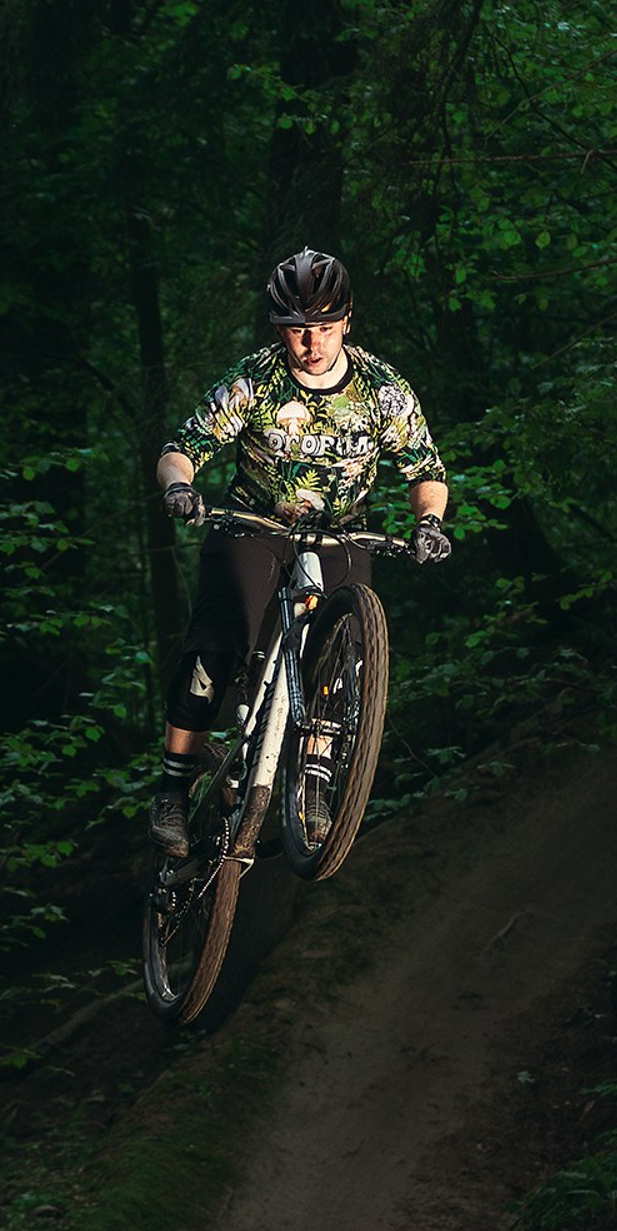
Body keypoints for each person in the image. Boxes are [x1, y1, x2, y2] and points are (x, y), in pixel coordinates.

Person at [150, 248, 452, 854]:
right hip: (253, 526)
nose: (309, 343)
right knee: (218, 645)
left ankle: (313, 788)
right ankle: (173, 790)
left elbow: (425, 468)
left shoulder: (381, 389)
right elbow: (179, 448)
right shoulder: (255, 380)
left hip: (343, 534)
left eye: (321, 327)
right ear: (279, 330)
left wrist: (431, 522)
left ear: (346, 322)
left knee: (340, 664)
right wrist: (180, 486)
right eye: (295, 330)